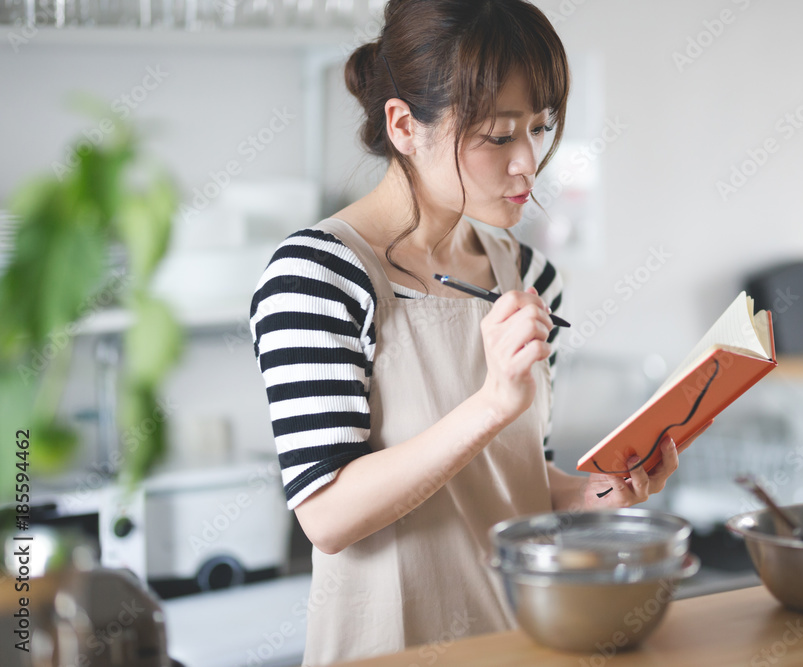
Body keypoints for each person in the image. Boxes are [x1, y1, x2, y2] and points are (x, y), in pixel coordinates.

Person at [249, 1, 698, 663]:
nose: (528, 163)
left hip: (519, 641)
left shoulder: (531, 276)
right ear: (405, 125)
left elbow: (515, 475)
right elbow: (327, 513)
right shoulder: (317, 276)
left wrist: (592, 492)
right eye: (497, 136)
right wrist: (490, 403)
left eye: (540, 129)